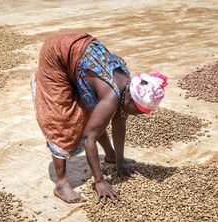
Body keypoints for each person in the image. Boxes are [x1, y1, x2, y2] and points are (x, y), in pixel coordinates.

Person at [31, 30, 167, 203]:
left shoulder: (128, 85)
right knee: (62, 118)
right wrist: (100, 181)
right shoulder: (111, 96)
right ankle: (61, 184)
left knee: (96, 113)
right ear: (131, 99)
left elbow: (119, 123)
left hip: (77, 47)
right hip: (57, 53)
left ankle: (110, 154)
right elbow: (90, 137)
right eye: (139, 111)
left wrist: (119, 160)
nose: (139, 115)